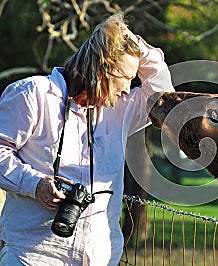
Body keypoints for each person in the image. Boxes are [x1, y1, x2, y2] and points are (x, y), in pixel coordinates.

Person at [0, 13, 173, 265]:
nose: (128, 88)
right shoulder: (32, 95)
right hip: (32, 255)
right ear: (100, 68)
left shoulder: (120, 109)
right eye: (125, 78)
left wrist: (136, 44)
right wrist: (34, 185)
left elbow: (163, 95)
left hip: (101, 256)